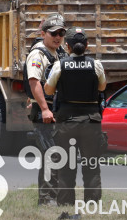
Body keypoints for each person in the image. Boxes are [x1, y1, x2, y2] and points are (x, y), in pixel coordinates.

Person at [44, 27, 107, 206]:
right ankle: (92, 203)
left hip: (67, 123)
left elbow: (48, 90)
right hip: (91, 121)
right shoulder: (95, 65)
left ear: (67, 46)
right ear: (86, 45)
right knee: (92, 166)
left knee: (66, 166)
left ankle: (65, 203)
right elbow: (102, 88)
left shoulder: (60, 65)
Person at [26, 13, 67, 206]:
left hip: (56, 112)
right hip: (45, 113)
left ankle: (55, 196)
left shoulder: (58, 53)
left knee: (58, 154)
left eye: (61, 33)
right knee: (52, 155)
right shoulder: (38, 54)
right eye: (53, 33)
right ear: (44, 34)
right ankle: (47, 198)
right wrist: (44, 109)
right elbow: (34, 82)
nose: (58, 37)